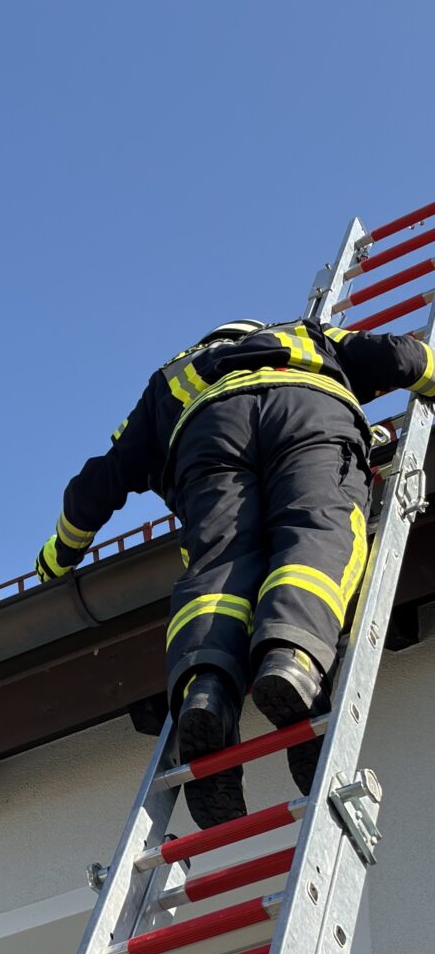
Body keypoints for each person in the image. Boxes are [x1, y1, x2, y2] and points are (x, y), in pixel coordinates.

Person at [35, 318, 435, 828]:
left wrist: (57, 557)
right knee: (317, 531)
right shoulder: (303, 335)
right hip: (309, 412)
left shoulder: (171, 377)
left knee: (218, 567)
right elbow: (400, 356)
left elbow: (100, 481)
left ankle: (206, 689)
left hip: (207, 438)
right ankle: (293, 659)